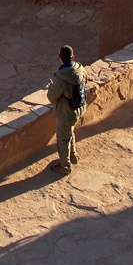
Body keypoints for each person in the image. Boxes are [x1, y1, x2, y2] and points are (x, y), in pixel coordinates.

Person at [46, 45, 86, 175]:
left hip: (67, 111)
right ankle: (73, 156)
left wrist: (52, 87)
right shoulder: (79, 69)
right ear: (73, 57)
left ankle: (65, 166)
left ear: (59, 58)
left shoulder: (62, 77)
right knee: (70, 132)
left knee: (63, 138)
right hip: (79, 107)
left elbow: (52, 97)